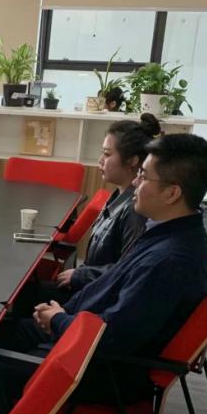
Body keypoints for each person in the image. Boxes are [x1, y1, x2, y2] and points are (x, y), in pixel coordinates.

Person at [0, 133, 207, 414]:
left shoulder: (170, 261)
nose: (135, 183)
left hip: (97, 367)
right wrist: (62, 317)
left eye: (144, 176)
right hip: (77, 333)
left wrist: (59, 321)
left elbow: (113, 338)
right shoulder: (169, 232)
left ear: (172, 193)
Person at [52, 114, 159, 293]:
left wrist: (82, 275)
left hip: (96, 294)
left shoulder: (135, 210)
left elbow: (128, 271)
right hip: (90, 287)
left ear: (132, 161)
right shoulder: (118, 196)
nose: (100, 160)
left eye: (107, 154)